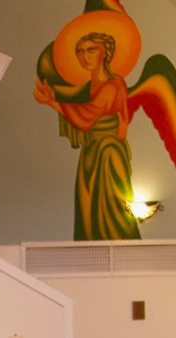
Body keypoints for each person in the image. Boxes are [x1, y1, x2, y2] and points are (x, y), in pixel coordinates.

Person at [33, 31, 140, 242]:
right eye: (80, 52)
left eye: (91, 50)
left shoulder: (112, 85)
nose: (85, 56)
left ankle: (120, 248)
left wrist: (52, 103)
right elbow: (75, 98)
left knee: (110, 206)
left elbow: (86, 116)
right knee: (88, 206)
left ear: (105, 52)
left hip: (108, 152)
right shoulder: (91, 86)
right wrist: (53, 95)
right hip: (91, 151)